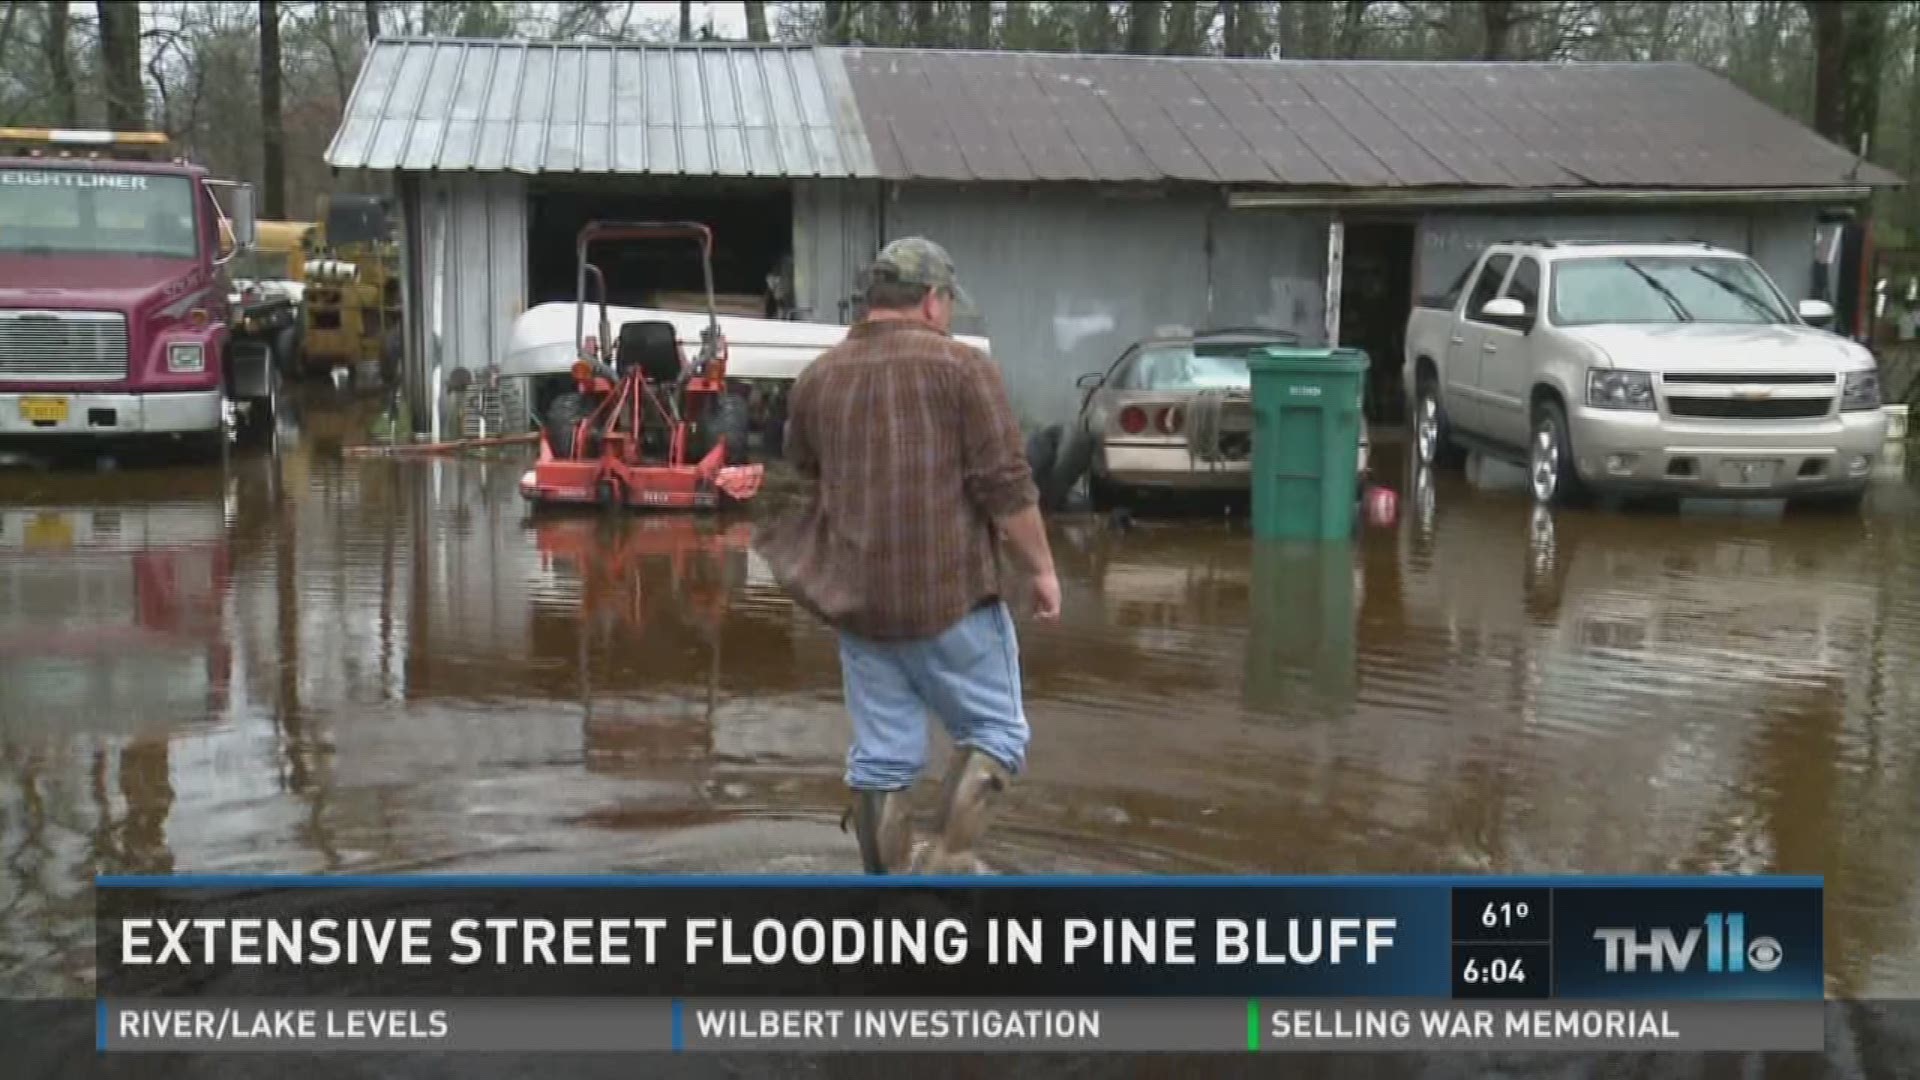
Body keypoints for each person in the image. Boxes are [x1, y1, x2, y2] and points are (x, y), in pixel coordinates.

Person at [758, 237, 1060, 875]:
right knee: (996, 736)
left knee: (881, 760)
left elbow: (800, 478)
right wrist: (1042, 569)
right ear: (931, 301)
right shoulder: (963, 369)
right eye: (948, 301)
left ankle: (888, 899)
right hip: (951, 596)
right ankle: (945, 866)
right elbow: (1004, 483)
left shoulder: (818, 378)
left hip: (860, 606)